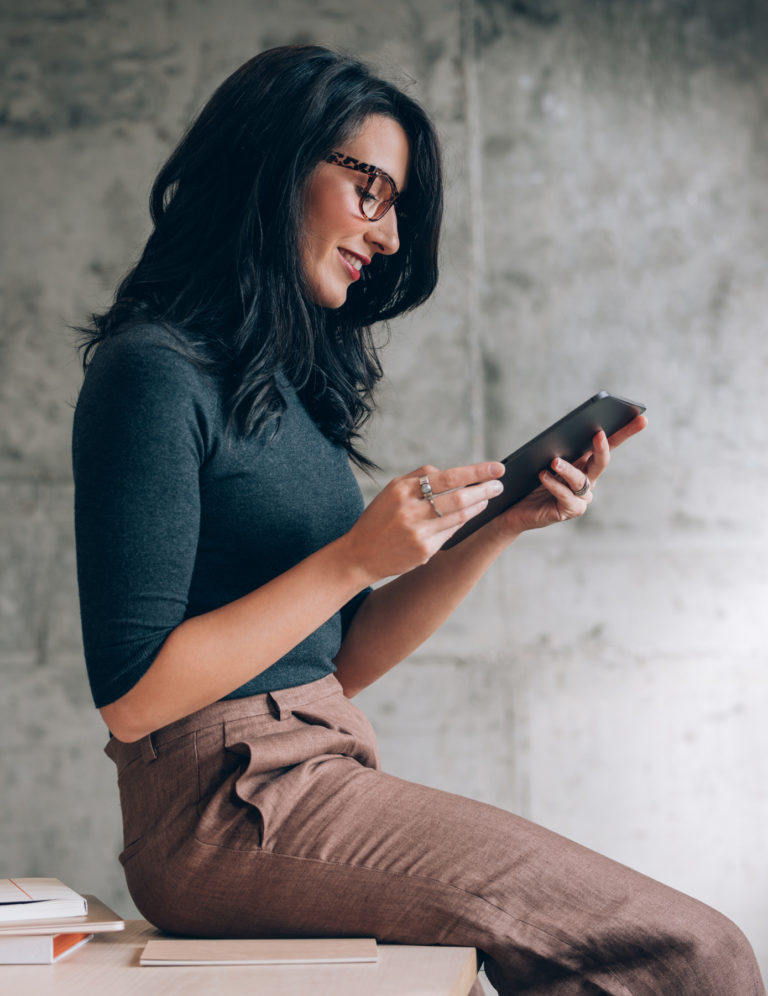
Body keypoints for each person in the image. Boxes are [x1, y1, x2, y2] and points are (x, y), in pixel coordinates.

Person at [72, 44, 764, 995]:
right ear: (277, 166)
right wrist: (357, 557)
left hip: (313, 764)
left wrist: (498, 528)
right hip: (223, 806)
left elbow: (335, 662)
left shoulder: (284, 396)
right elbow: (134, 696)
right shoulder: (149, 373)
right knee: (699, 956)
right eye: (372, 190)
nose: (389, 236)